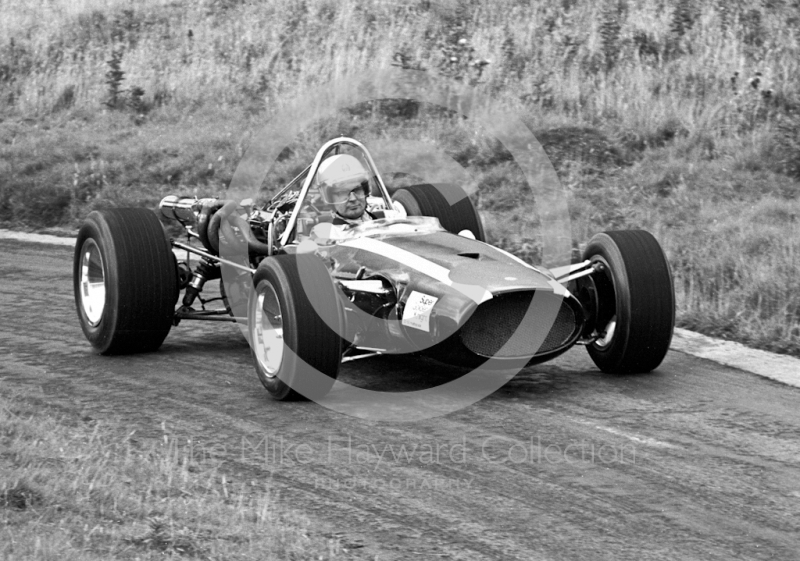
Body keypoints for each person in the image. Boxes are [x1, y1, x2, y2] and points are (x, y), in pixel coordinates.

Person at [310, 154, 377, 242]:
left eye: (357, 190)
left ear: (365, 190)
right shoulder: (326, 235)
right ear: (330, 198)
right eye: (342, 192)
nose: (353, 198)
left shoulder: (385, 221)